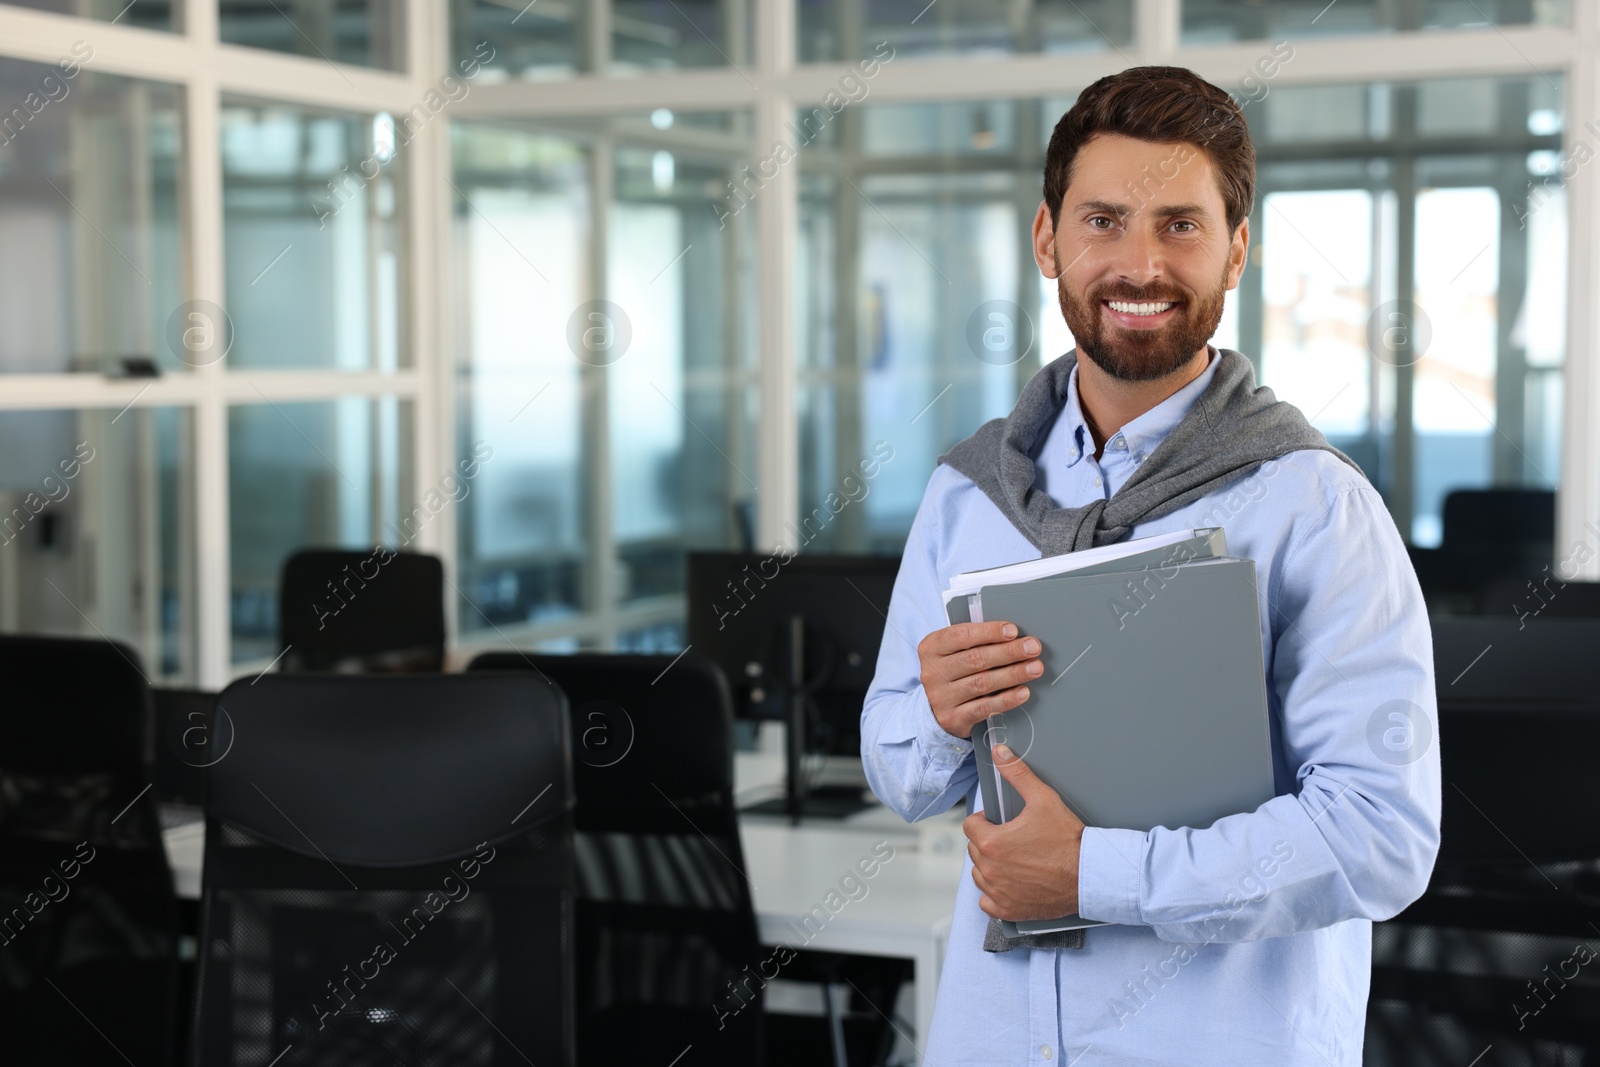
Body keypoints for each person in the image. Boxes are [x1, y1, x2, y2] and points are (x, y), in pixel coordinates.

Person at [860, 66, 1440, 1064]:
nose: (1140, 264)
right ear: (1047, 239)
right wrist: (937, 713)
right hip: (991, 1036)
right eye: (1103, 221)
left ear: (1235, 249)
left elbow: (1379, 834)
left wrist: (1092, 874)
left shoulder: (1313, 507)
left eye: (1180, 224)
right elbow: (900, 774)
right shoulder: (969, 495)